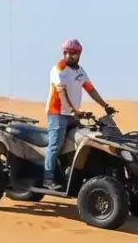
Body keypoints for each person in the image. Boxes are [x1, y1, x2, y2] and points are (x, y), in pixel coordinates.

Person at [43, 39, 112, 193]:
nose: (73, 56)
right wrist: (75, 111)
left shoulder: (79, 71)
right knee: (55, 145)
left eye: (76, 53)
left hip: (73, 115)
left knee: (77, 144)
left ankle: (70, 175)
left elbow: (91, 90)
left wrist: (105, 105)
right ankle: (48, 179)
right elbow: (62, 93)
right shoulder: (59, 69)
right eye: (70, 53)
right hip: (57, 114)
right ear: (64, 53)